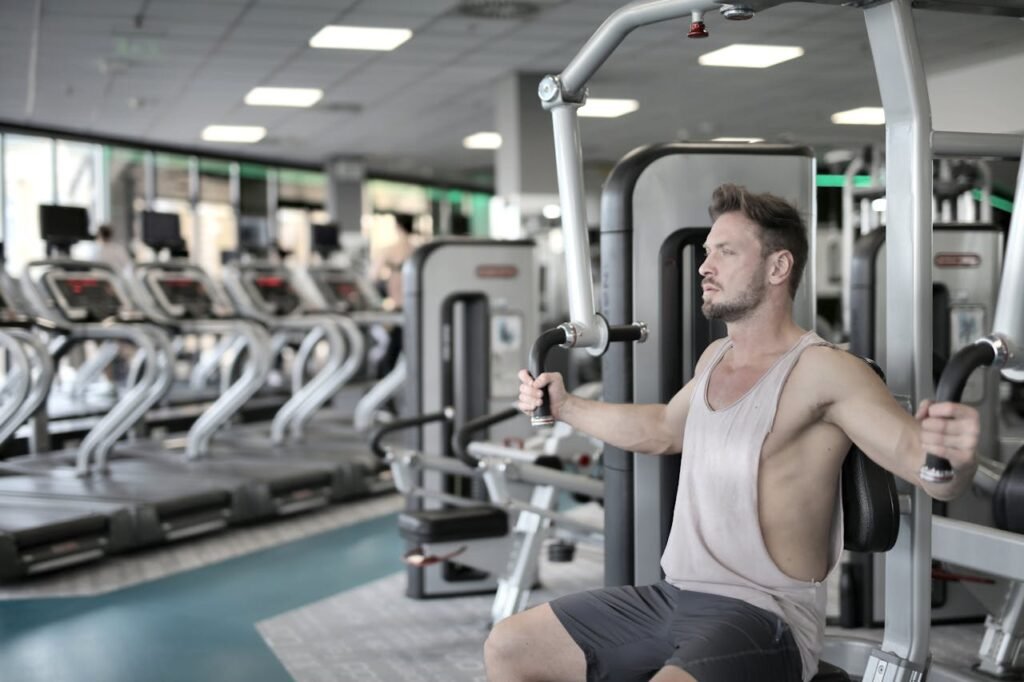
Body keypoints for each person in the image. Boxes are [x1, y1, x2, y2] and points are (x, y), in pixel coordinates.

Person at [489, 184, 981, 682]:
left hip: (766, 616)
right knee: (511, 646)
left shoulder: (826, 370)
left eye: (725, 252)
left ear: (777, 268)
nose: (705, 266)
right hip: (676, 596)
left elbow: (922, 464)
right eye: (706, 253)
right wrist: (567, 406)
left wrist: (952, 459)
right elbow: (662, 429)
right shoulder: (715, 359)